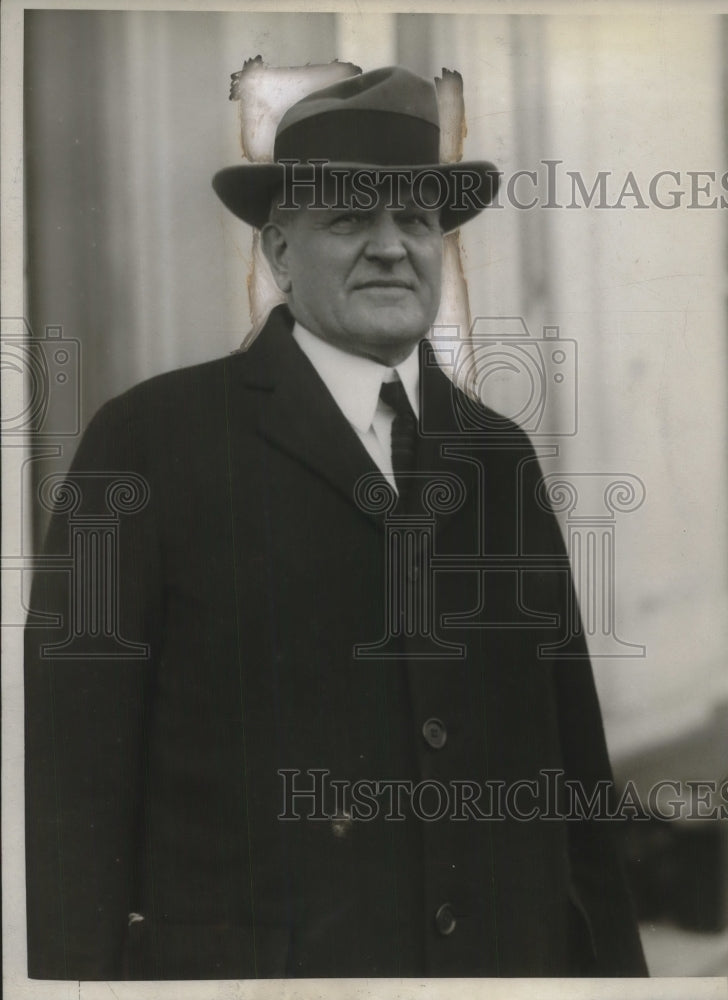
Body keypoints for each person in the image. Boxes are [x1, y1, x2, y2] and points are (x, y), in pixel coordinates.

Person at [24, 66, 647, 980]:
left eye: (416, 219)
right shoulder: (149, 442)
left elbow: (573, 774)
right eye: (349, 219)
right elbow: (70, 781)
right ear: (278, 251)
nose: (391, 247)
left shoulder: (496, 452)